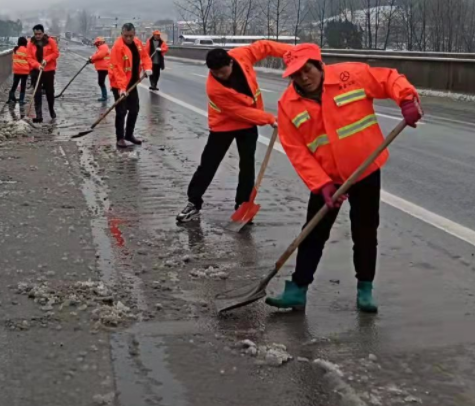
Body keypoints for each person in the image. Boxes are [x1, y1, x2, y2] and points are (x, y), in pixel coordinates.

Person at [265, 43, 423, 313]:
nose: (303, 77)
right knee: (312, 232)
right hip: (327, 178)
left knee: (364, 229)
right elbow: (296, 151)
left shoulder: (351, 76)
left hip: (364, 169)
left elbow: (389, 79)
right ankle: (297, 290)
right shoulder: (288, 104)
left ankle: (365, 288)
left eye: (307, 69)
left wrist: (406, 98)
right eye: (295, 74)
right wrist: (321, 184)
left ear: (318, 64)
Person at [176, 40, 293, 223]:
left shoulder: (241, 55)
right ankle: (193, 202)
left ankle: (243, 204)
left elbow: (265, 47)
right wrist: (269, 119)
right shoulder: (214, 88)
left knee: (247, 165)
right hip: (224, 124)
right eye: (216, 73)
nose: (220, 76)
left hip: (248, 125)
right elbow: (240, 113)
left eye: (223, 72)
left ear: (230, 62)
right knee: (209, 164)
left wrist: (293, 54)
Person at [108, 23, 152, 148]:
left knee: (134, 109)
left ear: (134, 35)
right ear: (121, 34)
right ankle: (120, 138)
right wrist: (122, 88)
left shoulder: (137, 43)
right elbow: (118, 69)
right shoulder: (118, 47)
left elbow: (145, 56)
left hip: (132, 82)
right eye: (126, 36)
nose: (128, 38)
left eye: (131, 36)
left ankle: (129, 134)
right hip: (119, 83)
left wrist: (147, 68)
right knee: (121, 111)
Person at [27, 24, 60, 123]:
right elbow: (29, 58)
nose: (37, 36)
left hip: (49, 70)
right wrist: (37, 65)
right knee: (37, 92)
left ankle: (51, 109)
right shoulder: (30, 43)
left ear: (43, 33)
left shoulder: (51, 41)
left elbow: (56, 53)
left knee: (50, 92)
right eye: (36, 34)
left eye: (39, 34)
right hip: (36, 71)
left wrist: (46, 59)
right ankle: (38, 115)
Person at [7, 37, 30, 105]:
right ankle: (21, 100)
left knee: (15, 84)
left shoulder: (15, 50)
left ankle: (10, 97)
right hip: (24, 70)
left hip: (16, 70)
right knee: (23, 85)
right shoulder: (26, 50)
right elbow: (29, 60)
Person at [90, 37, 111, 102]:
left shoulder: (103, 47)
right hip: (102, 68)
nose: (96, 45)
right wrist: (91, 60)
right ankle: (104, 95)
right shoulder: (101, 48)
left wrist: (92, 59)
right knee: (101, 82)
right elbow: (96, 56)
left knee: (101, 82)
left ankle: (104, 96)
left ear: (100, 42)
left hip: (103, 68)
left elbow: (99, 56)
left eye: (97, 43)